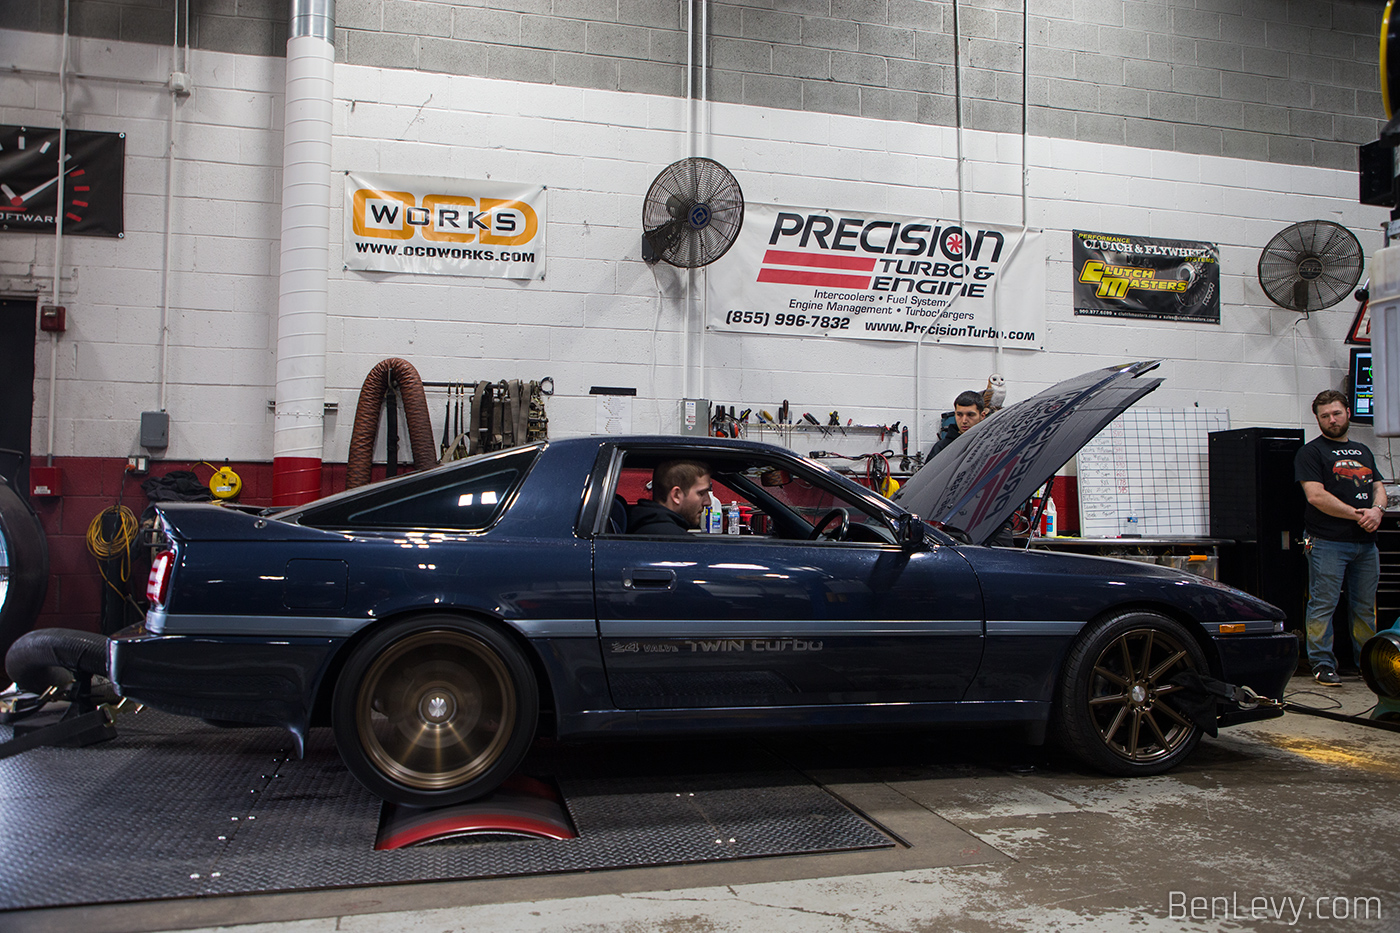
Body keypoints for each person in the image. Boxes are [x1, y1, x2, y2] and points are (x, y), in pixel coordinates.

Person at [1294, 389, 1387, 686]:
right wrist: (1359, 515)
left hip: (1366, 545)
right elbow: (1316, 496)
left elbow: (1378, 487)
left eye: (1336, 413)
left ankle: (1368, 664)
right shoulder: (1311, 452)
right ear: (1318, 419)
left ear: (1347, 411)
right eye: (1325, 416)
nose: (1332, 420)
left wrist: (1378, 510)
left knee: (1364, 607)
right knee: (1323, 605)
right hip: (1327, 542)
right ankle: (1322, 663)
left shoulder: (1363, 450)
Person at [627, 459, 712, 535]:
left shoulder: (643, 526)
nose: (708, 502)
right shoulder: (672, 538)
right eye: (701, 493)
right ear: (676, 495)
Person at [928, 390, 986, 458]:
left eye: (970, 415)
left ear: (982, 416)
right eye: (959, 415)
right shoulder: (941, 448)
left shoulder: (989, 445)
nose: (964, 421)